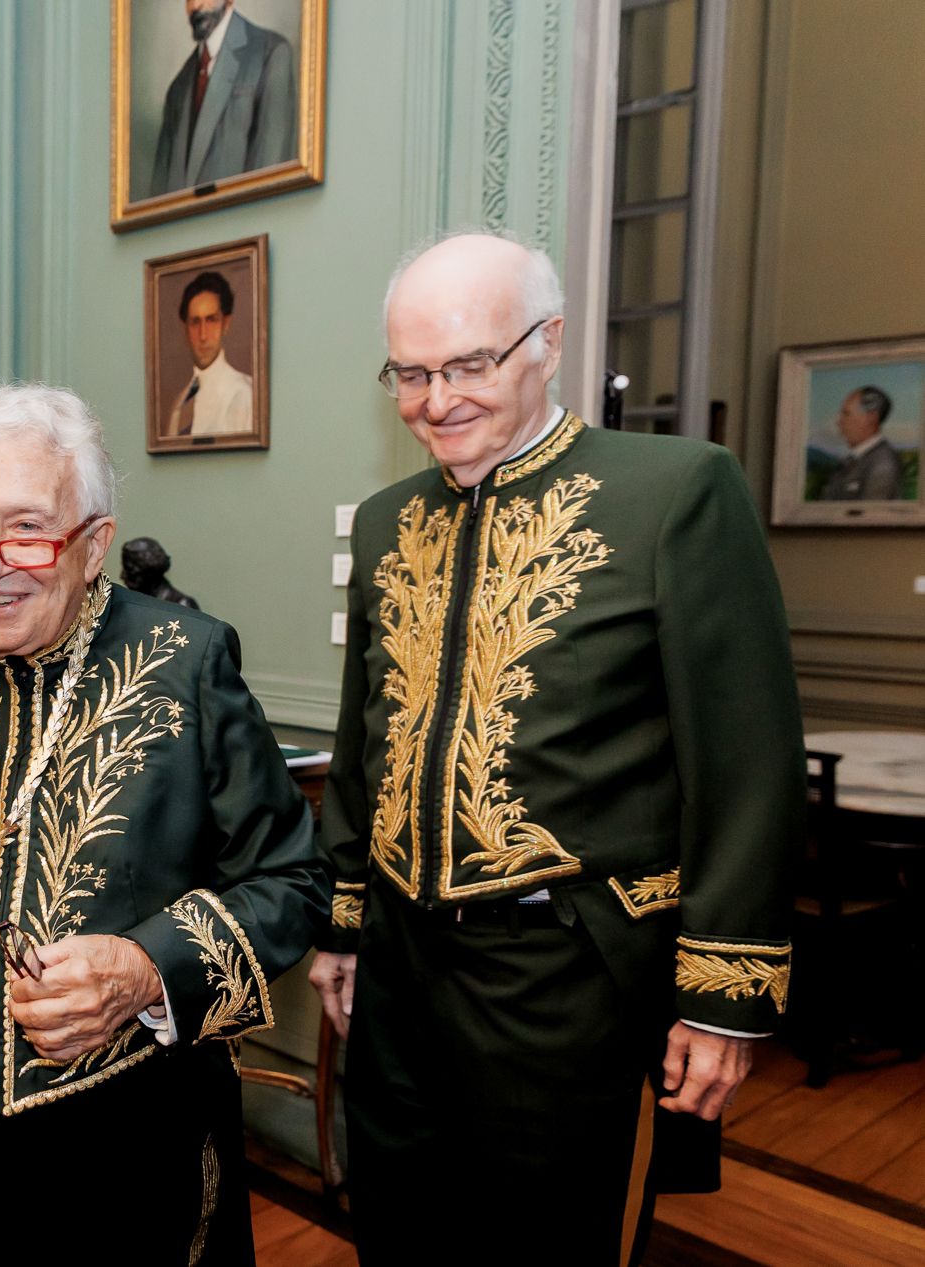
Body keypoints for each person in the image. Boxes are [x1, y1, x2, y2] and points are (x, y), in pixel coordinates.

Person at [312, 232, 803, 1266]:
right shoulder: (391, 520)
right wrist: (344, 925)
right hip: (399, 968)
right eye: (410, 374)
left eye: (468, 365)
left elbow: (744, 761)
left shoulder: (675, 490)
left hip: (567, 971)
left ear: (550, 342)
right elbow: (367, 741)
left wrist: (724, 1000)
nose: (435, 400)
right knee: (397, 1228)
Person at [0, 383, 328, 1265]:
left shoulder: (187, 661)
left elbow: (292, 881)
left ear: (95, 542)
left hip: (124, 1154)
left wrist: (145, 968)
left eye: (27, 528)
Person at [150, 0, 297, 198]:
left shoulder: (271, 54)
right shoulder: (178, 88)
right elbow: (159, 195)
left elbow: (271, 179)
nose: (195, 6)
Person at [169, 271, 255, 437]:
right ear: (185, 329)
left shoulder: (244, 394)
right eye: (195, 322)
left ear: (225, 324)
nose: (203, 335)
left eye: (211, 320)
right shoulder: (180, 404)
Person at [818, 385, 904, 500]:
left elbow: (871, 510)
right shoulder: (850, 461)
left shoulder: (883, 463)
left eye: (846, 414)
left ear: (871, 418)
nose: (839, 422)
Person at [121, 535, 201, 609]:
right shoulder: (129, 603)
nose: (122, 576)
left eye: (130, 570)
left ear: (150, 572)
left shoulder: (182, 605)